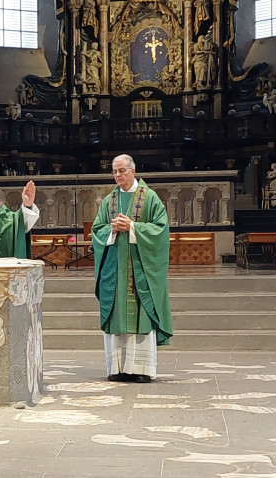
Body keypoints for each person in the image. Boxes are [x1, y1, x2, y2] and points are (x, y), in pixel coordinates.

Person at [92, 154, 173, 383]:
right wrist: (111, 230)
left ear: (133, 171)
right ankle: (117, 368)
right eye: (114, 171)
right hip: (116, 271)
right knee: (117, 315)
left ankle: (141, 369)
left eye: (122, 171)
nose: (117, 175)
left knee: (140, 315)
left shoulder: (150, 198)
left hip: (139, 270)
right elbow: (97, 230)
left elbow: (161, 231)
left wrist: (133, 227)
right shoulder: (109, 201)